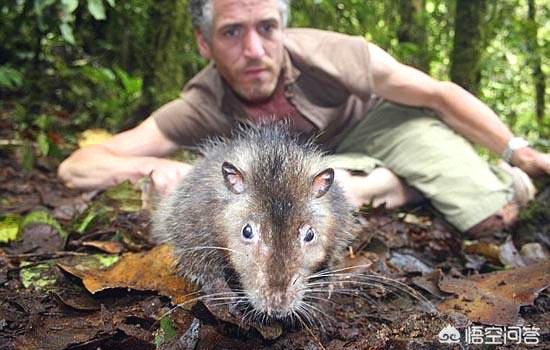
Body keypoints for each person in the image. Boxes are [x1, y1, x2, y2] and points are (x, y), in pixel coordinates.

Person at [58, 0, 549, 236]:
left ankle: (504, 179)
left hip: (385, 126)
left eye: (266, 28)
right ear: (204, 44)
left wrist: (516, 149)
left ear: (282, 28)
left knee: (492, 219)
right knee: (308, 197)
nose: (254, 50)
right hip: (326, 165)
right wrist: (150, 168)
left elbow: (439, 94)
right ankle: (400, 186)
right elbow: (78, 166)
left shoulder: (330, 55)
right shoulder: (202, 101)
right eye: (231, 34)